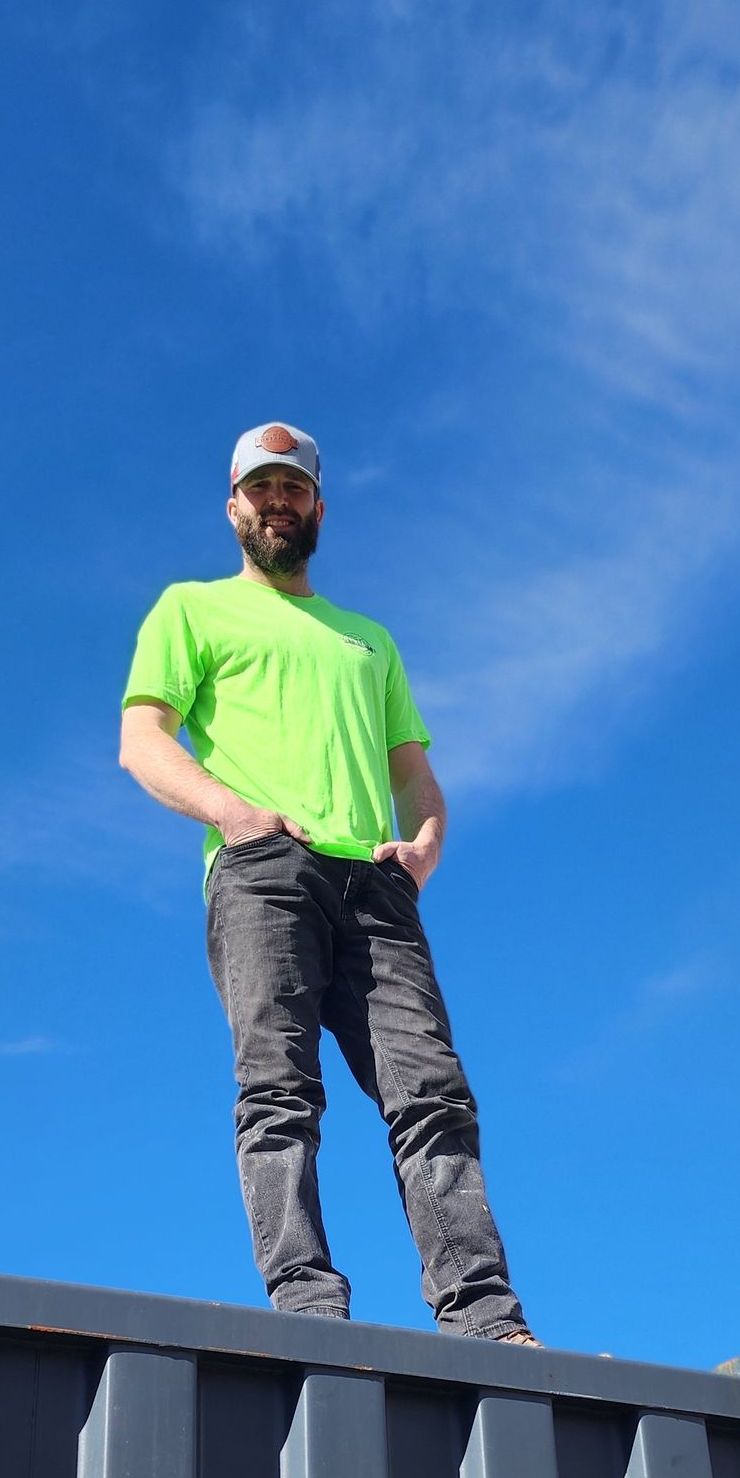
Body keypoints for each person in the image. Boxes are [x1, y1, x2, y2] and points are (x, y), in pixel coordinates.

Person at [118, 421, 539, 1345]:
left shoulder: (368, 640)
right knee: (279, 1088)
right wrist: (234, 816)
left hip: (377, 887)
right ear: (233, 506)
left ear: (317, 506)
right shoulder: (191, 609)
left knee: (432, 1092)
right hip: (264, 870)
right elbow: (143, 740)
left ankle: (484, 1317)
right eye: (261, 489)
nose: (278, 503)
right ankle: (308, 1308)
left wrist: (423, 840)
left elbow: (412, 765)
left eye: (294, 489)